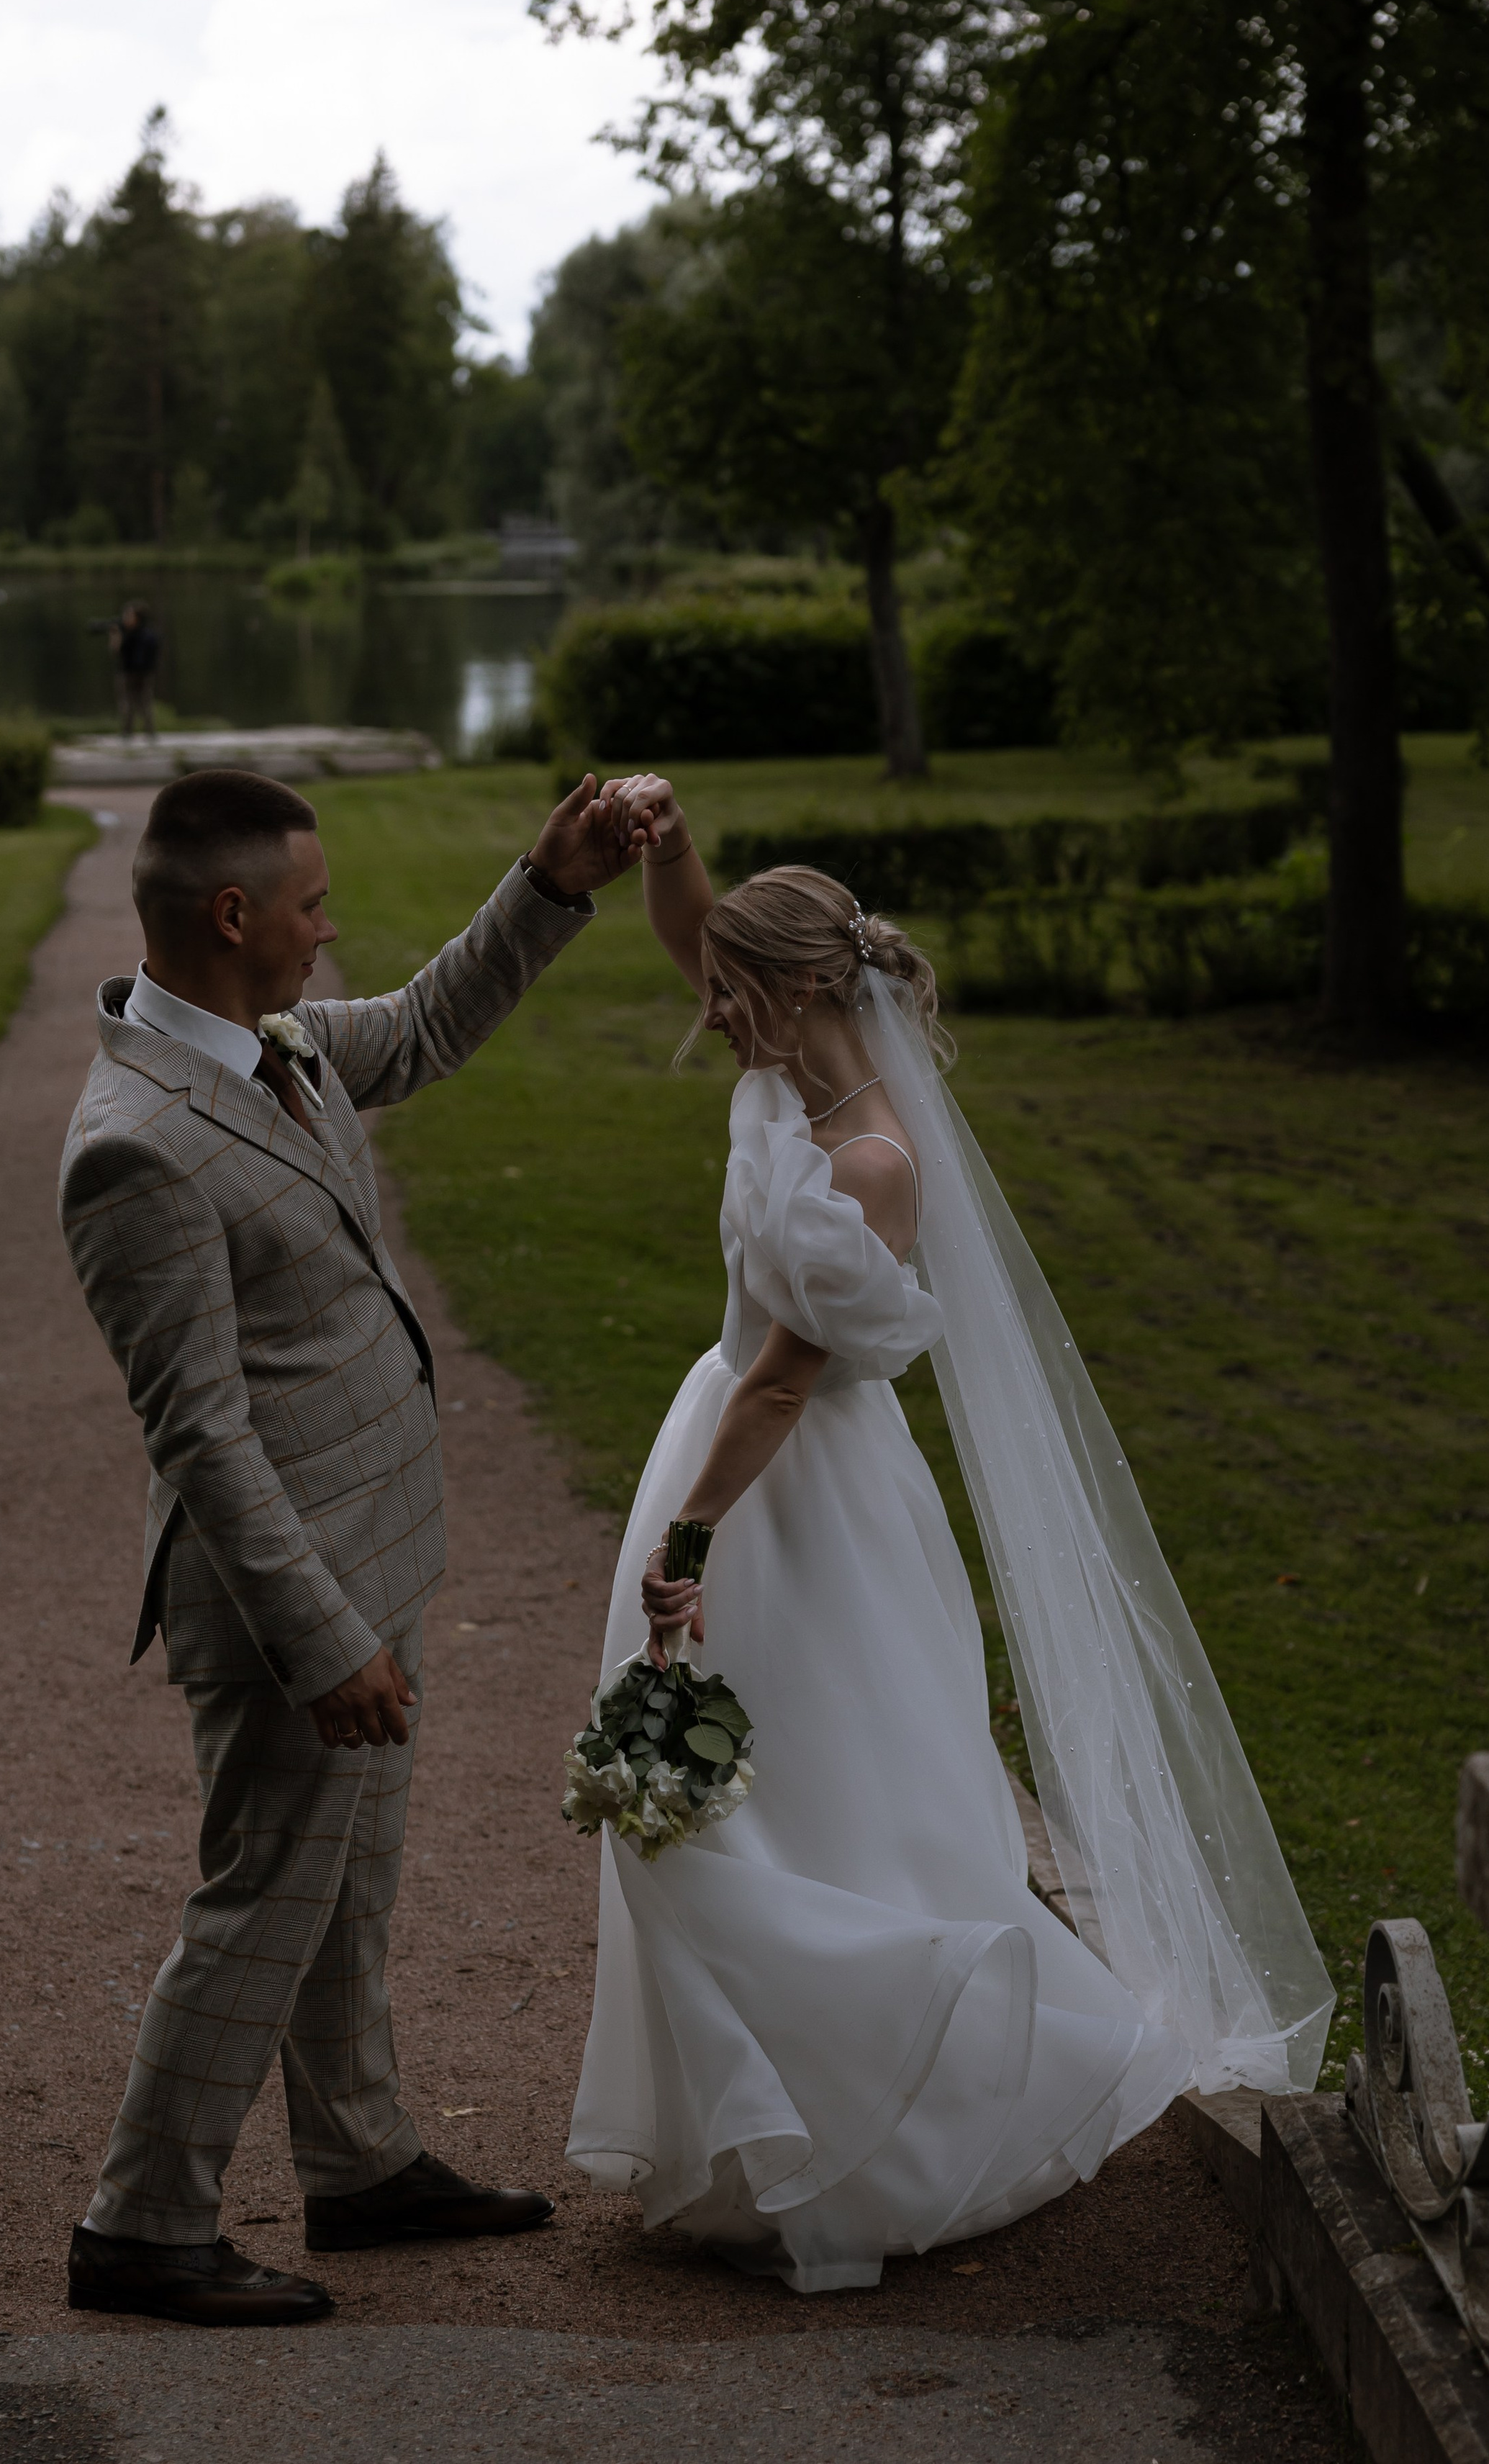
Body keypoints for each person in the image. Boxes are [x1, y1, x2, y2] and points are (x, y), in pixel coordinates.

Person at [568, 780, 1334, 2296]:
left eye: (731, 995)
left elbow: (788, 1377)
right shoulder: (787, 1080)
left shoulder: (872, 1163)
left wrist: (692, 1539)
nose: (707, 1017)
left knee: (799, 1794)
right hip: (730, 1452)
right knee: (744, 1797)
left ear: (791, 990)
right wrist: (663, 847)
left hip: (791, 1499)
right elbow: (688, 935)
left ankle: (871, 2126)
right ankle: (752, 2131)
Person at [58, 764, 656, 2326]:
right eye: (312, 907)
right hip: (285, 1607)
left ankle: (361, 2164)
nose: (331, 935)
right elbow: (200, 1431)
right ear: (235, 913)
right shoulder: (135, 1143)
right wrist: (322, 1644)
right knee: (264, 1896)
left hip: (373, 1554)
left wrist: (552, 880)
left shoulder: (285, 1049)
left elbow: (435, 1019)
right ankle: (141, 2221)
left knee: (346, 1888)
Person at [112, 600, 160, 738]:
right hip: (140, 673)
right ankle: (142, 733)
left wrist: (116, 636)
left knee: (133, 704)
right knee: (138, 704)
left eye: (128, 615)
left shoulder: (132, 636)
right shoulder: (149, 634)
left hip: (135, 674)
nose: (125, 618)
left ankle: (133, 733)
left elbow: (116, 651)